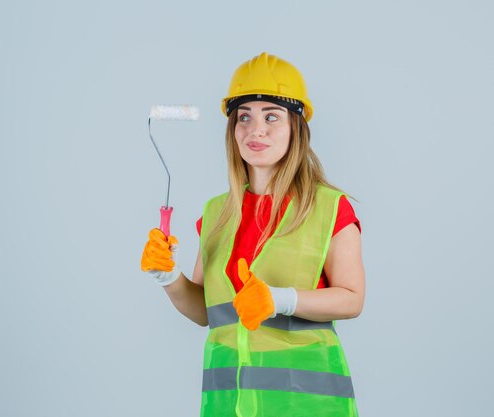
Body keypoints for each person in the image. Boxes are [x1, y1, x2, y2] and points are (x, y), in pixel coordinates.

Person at [141, 51, 365, 417]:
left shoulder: (329, 208)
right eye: (243, 117)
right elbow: (205, 312)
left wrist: (279, 299)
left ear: (297, 128)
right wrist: (168, 277)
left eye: (271, 117)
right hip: (228, 405)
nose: (255, 129)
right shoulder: (216, 214)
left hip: (306, 406)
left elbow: (352, 299)